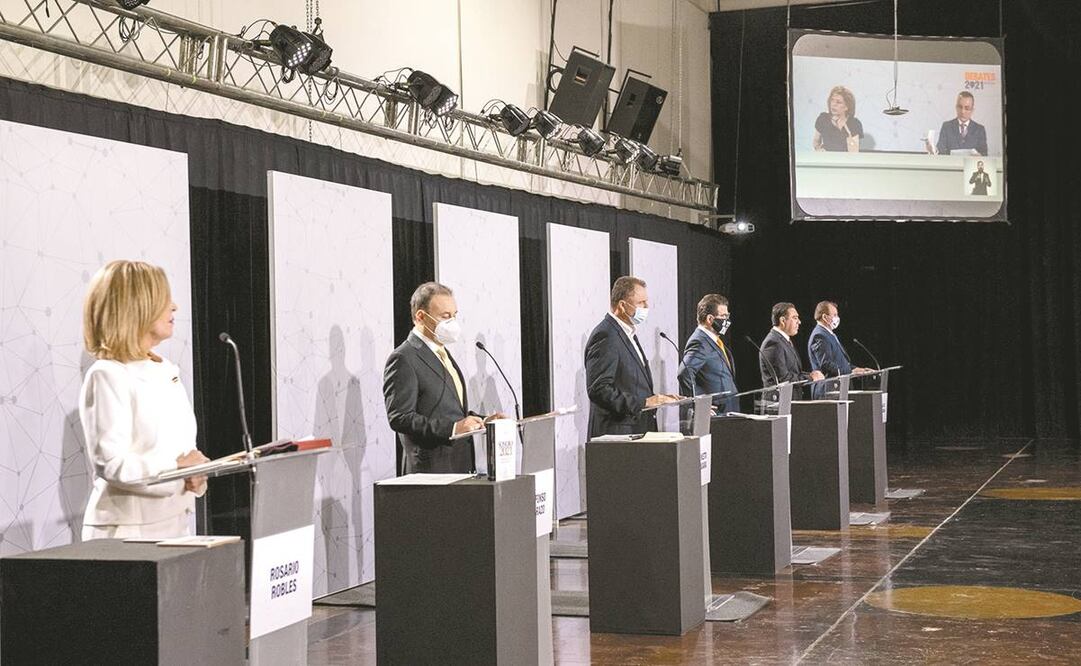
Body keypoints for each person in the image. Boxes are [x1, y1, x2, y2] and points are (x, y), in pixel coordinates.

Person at [79, 260, 209, 540]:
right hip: (127, 536)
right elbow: (112, 464)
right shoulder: (107, 375)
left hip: (175, 527)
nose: (174, 307)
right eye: (164, 300)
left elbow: (182, 451)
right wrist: (178, 468)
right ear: (136, 307)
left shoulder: (164, 369)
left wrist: (196, 474)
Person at [383, 282, 484, 474]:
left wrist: (483, 420)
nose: (452, 322)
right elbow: (400, 417)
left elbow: (448, 410)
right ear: (421, 317)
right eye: (445, 316)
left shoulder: (442, 353)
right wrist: (453, 429)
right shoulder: (404, 358)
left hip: (459, 466)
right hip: (430, 471)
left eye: (454, 315)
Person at [585, 276, 679, 438]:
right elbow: (599, 389)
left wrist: (660, 399)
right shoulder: (606, 335)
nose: (647, 307)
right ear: (622, 305)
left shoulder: (626, 332)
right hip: (618, 434)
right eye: (641, 303)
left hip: (637, 431)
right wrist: (644, 403)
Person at [678, 294, 739, 413]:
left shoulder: (713, 340)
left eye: (728, 315)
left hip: (728, 408)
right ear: (710, 319)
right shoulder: (700, 341)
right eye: (723, 316)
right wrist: (699, 402)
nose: (727, 320)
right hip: (716, 412)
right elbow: (684, 373)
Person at [759, 302, 824, 400]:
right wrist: (810, 378)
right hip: (779, 405)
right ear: (782, 320)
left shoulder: (784, 340)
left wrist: (812, 375)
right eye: (795, 318)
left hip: (790, 401)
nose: (799, 322)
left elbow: (794, 372)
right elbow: (784, 379)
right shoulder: (773, 343)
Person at [807, 301, 870, 399]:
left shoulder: (828, 334)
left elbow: (839, 360)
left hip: (837, 388)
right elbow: (826, 364)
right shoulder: (819, 335)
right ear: (825, 317)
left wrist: (856, 369)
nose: (837, 318)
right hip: (828, 391)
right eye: (835, 315)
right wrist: (851, 371)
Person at [931, 91, 988, 156]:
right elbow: (940, 151)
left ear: (972, 110)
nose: (962, 111)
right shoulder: (947, 127)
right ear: (956, 107)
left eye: (967, 108)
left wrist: (979, 155)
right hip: (951, 165)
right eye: (960, 107)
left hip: (970, 165)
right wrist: (933, 150)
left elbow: (984, 154)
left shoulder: (979, 130)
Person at [812, 85, 863, 153]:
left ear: (846, 107)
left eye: (838, 102)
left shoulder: (855, 123)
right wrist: (819, 150)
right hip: (827, 159)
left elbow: (854, 151)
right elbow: (816, 142)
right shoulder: (823, 119)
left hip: (845, 161)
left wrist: (845, 126)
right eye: (832, 100)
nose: (833, 104)